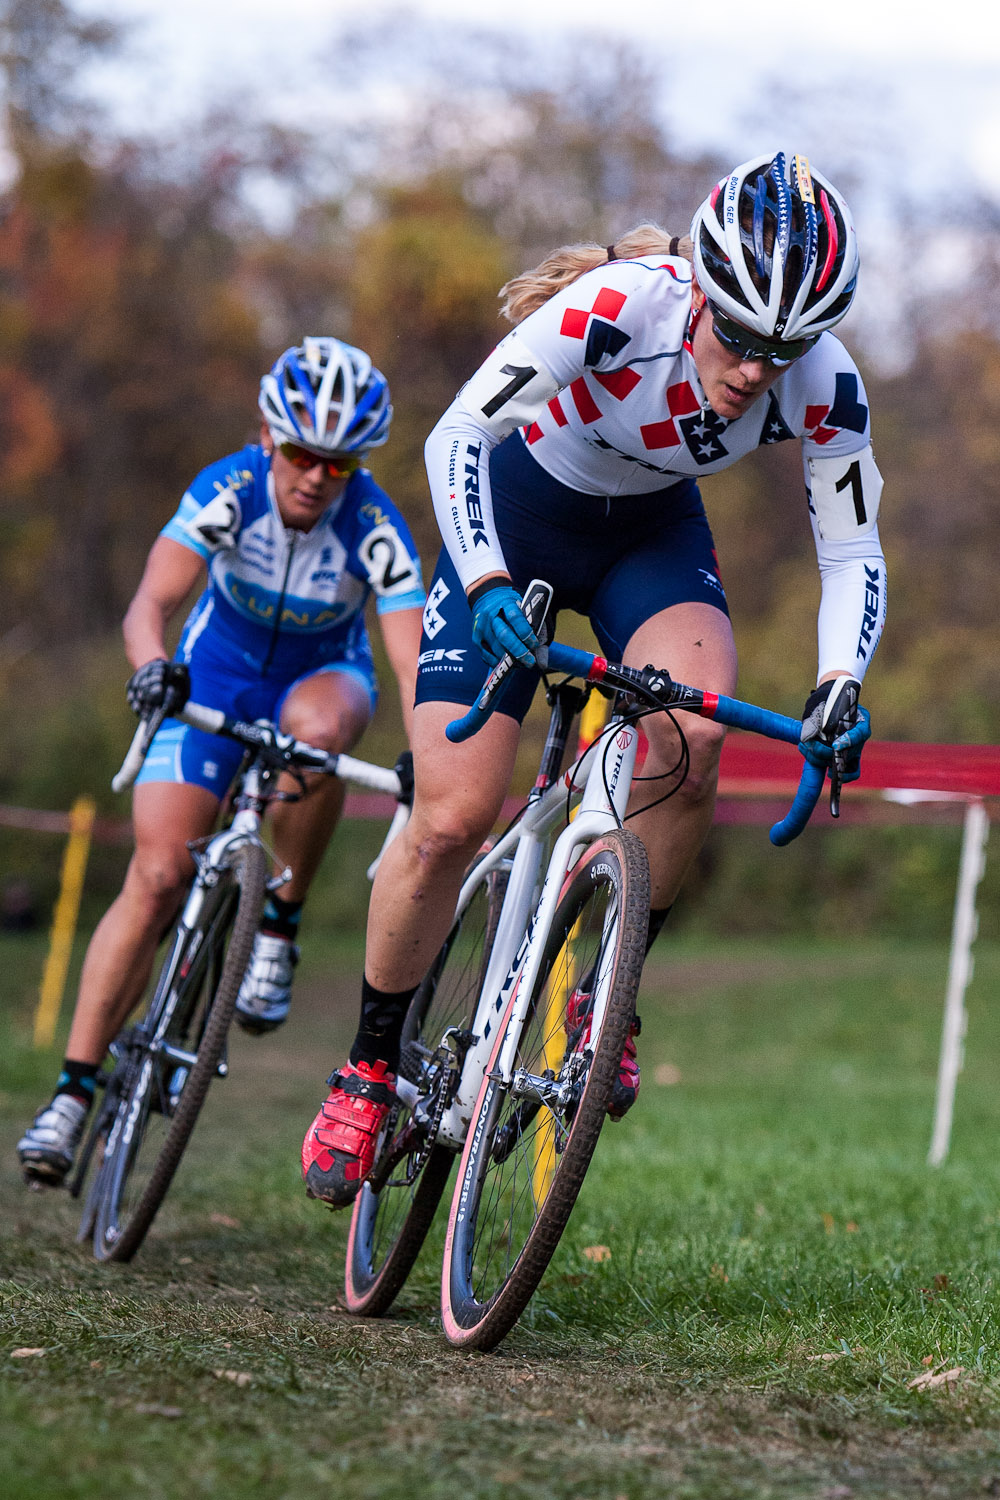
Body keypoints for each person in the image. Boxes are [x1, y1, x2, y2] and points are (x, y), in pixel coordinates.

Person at [300, 150, 887, 1208]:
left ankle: (603, 1000)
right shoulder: (616, 309)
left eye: (784, 344)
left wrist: (840, 680)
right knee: (451, 814)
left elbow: (852, 553)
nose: (757, 368)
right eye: (741, 335)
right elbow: (456, 437)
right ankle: (369, 1065)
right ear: (700, 290)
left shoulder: (824, 383)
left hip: (649, 538)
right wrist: (480, 576)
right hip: (520, 511)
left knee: (692, 740)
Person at [18, 337, 425, 1187]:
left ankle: (278, 922)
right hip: (216, 675)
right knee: (159, 873)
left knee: (319, 731)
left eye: (340, 464)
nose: (318, 476)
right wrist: (150, 666)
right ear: (270, 439)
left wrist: (430, 748)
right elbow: (151, 603)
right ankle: (72, 1090)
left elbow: (409, 655)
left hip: (321, 678)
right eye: (304, 454)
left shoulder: (375, 525)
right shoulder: (228, 488)